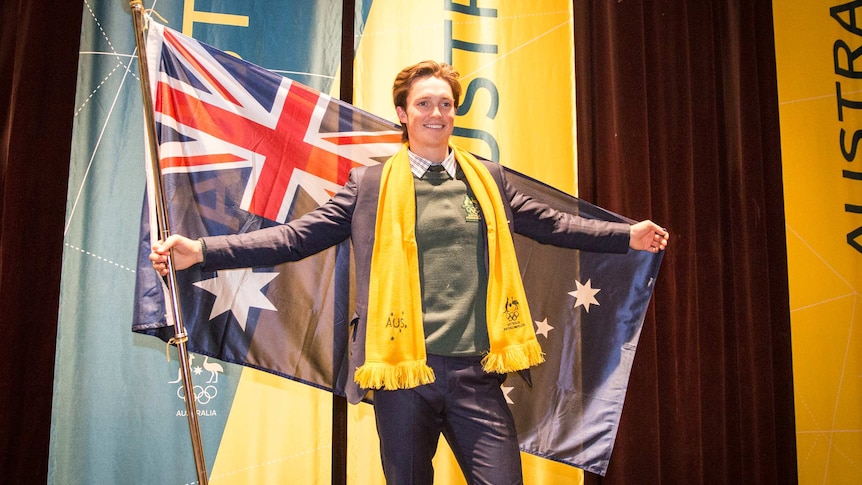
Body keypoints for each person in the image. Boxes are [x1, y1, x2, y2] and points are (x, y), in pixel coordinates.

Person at [150, 60, 669, 485]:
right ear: (403, 113)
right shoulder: (369, 186)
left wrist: (627, 236)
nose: (436, 113)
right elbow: (294, 238)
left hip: (477, 375)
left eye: (445, 103)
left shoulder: (487, 179)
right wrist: (201, 249)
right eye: (424, 103)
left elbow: (553, 225)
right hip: (402, 376)